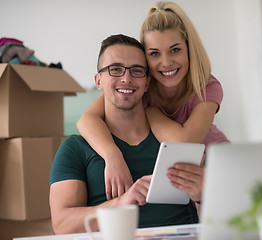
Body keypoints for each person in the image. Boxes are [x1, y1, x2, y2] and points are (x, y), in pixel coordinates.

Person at [49, 34, 203, 234]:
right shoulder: (75, 148)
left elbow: (213, 216)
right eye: (115, 69)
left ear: (147, 83)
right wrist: (120, 204)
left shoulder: (174, 140)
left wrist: (204, 194)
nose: (126, 78)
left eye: (137, 71)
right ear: (98, 80)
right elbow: (62, 225)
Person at [77, 1, 229, 201]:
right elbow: (86, 120)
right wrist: (112, 156)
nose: (166, 62)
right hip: (182, 175)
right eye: (154, 54)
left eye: (175, 50)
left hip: (218, 166)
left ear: (189, 49)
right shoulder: (141, 84)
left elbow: (184, 142)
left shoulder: (206, 86)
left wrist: (151, 113)